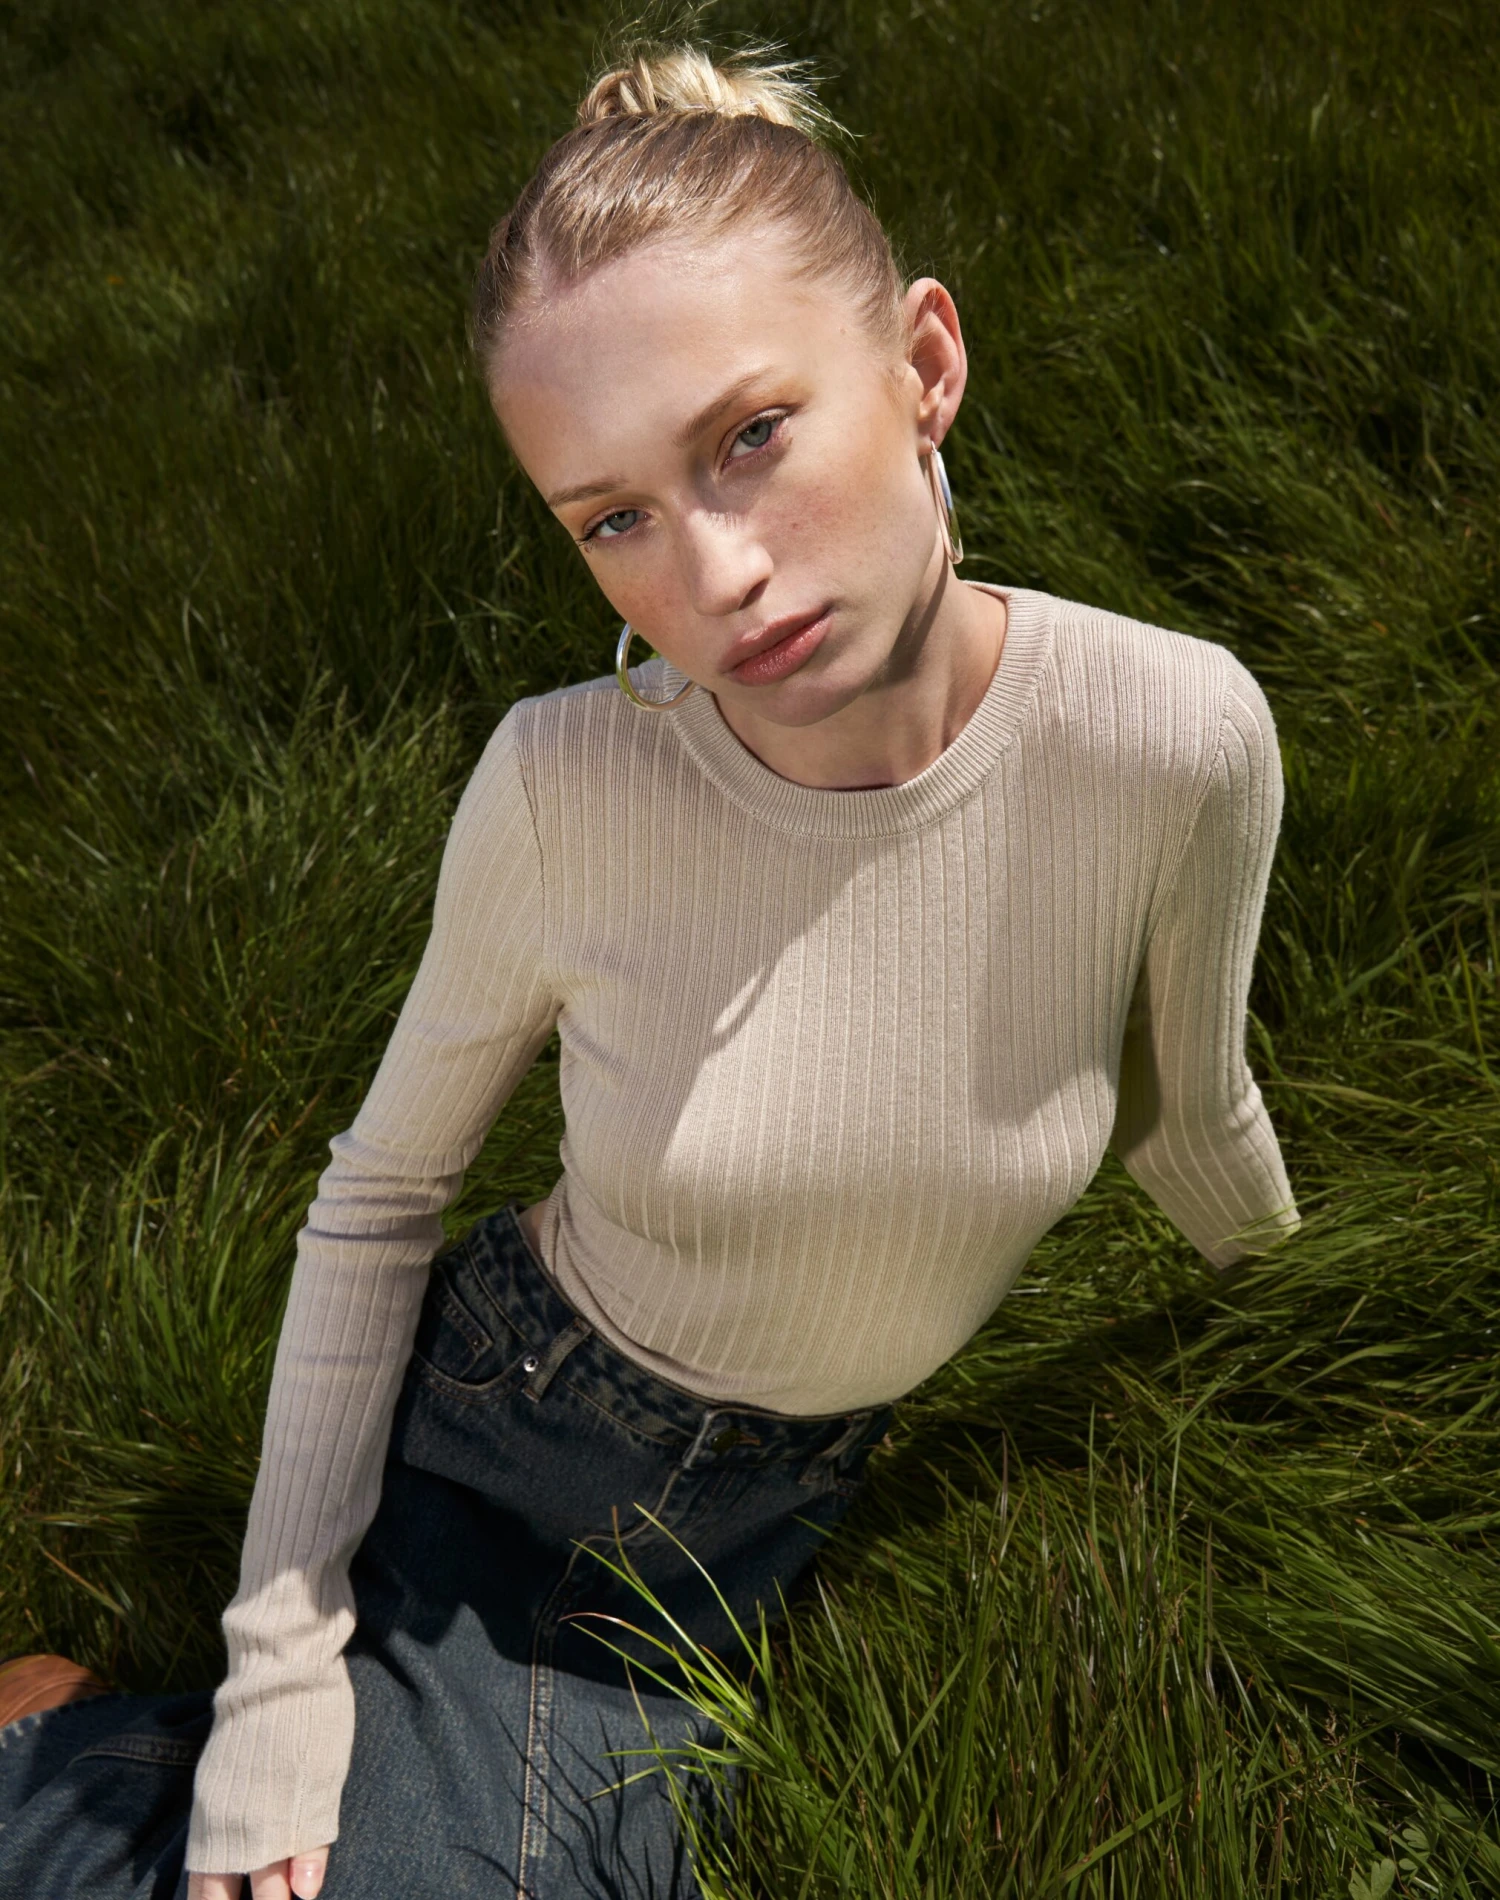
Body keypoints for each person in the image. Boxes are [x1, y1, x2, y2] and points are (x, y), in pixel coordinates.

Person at [0, 44, 1300, 1900]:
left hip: (791, 1490)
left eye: (749, 437)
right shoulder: (565, 788)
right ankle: (64, 1761)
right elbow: (374, 1201)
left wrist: (1293, 1313)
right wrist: (279, 1673)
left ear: (926, 364)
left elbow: (1193, 1103)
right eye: (612, 518)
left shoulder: (1176, 738)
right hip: (536, 1436)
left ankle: (83, 1758)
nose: (717, 578)